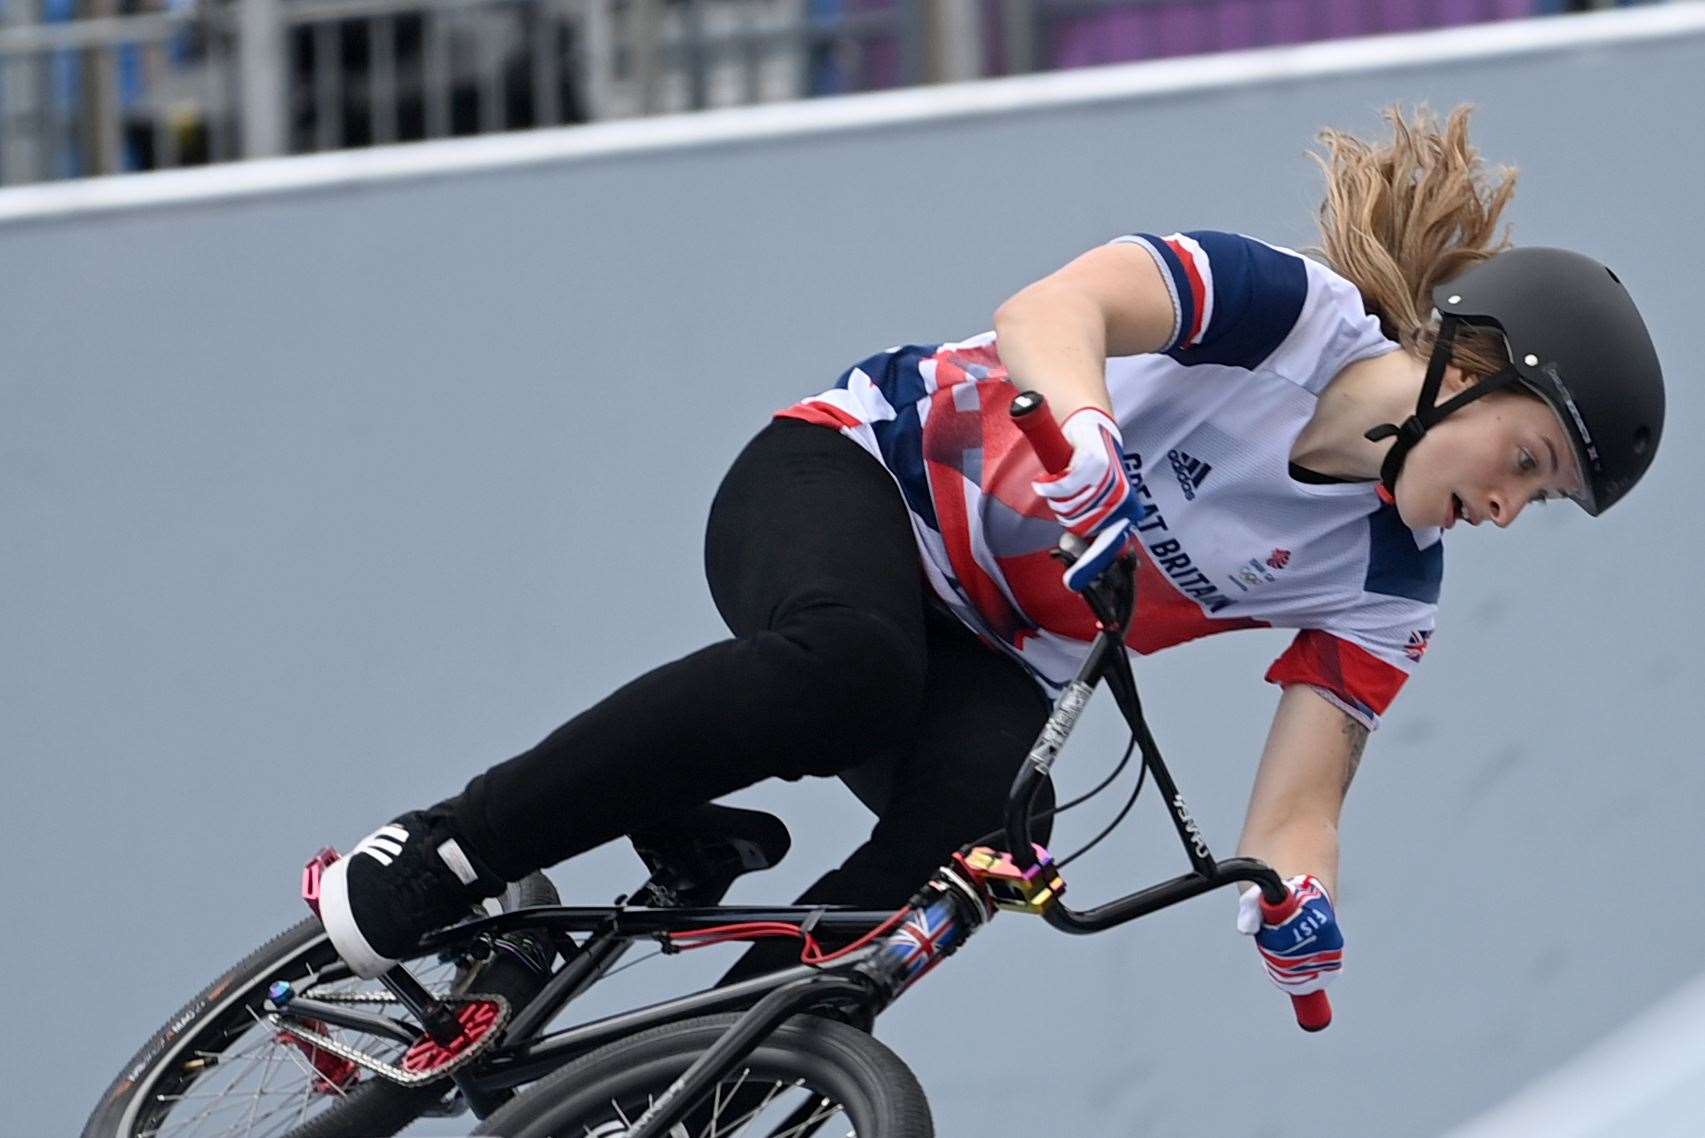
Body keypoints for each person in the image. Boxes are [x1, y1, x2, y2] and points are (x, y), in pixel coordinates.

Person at [309, 104, 1664, 1004]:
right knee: (849, 664)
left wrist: (1295, 904)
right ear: (1468, 366)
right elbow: (1053, 305)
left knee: (981, 841)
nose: (1503, 512)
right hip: (852, 474)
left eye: (1533, 505)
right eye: (1527, 464)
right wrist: (1082, 432)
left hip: (983, 646)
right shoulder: (1283, 317)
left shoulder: (1387, 584)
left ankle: (700, 1073)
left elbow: (1295, 810)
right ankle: (443, 846)